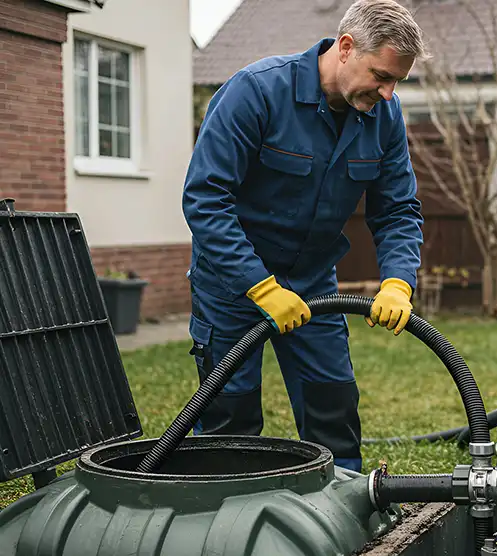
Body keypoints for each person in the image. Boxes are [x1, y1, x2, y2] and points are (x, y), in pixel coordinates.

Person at [181, 0, 429, 473]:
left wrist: (398, 281)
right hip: (231, 286)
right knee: (228, 416)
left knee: (332, 405)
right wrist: (259, 285)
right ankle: (228, 523)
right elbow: (205, 198)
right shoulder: (255, 93)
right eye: (381, 75)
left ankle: (345, 518)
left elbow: (397, 209)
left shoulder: (384, 117)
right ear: (346, 47)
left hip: (313, 283)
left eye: (397, 80)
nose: (389, 92)